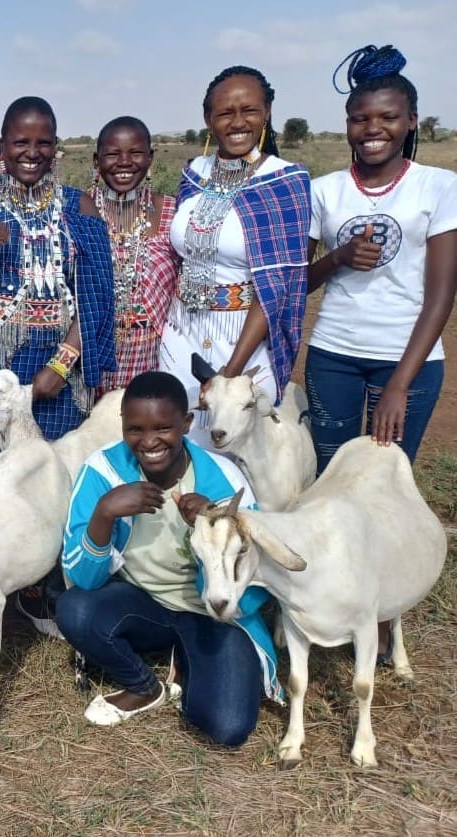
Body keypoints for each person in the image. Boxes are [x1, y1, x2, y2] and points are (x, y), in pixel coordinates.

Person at [305, 45, 457, 664]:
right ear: (348, 124)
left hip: (411, 362)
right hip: (333, 354)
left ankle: (387, 611)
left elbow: (441, 295)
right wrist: (338, 258)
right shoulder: (324, 191)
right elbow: (302, 282)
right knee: (331, 484)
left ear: (412, 120)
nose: (373, 131)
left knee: (389, 485)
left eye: (388, 118)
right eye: (362, 119)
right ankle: (327, 600)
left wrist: (400, 382)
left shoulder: (438, 187)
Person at [56, 371, 280, 746]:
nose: (149, 442)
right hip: (143, 605)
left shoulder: (222, 478)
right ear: (123, 425)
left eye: (163, 428)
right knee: (74, 609)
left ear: (187, 423)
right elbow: (82, 579)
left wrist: (215, 526)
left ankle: (189, 655)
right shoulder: (103, 470)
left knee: (226, 726)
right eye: (135, 429)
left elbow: (259, 588)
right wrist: (104, 513)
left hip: (213, 613)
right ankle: (145, 686)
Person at [0, 96, 116, 492]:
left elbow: (97, 298)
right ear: (2, 146)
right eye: (20, 142)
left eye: (43, 143)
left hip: (57, 374)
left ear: (56, 146)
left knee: (54, 486)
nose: (32, 153)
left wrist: (61, 367)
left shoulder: (80, 207)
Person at [159, 66, 310, 444]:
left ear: (267, 112)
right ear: (208, 119)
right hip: (181, 335)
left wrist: (231, 372)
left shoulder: (284, 181)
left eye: (250, 111)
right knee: (179, 442)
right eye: (225, 112)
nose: (238, 122)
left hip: (243, 341)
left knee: (237, 448)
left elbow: (275, 287)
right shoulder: (194, 172)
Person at [89, 116, 181, 392]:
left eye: (136, 153)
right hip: (91, 352)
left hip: (152, 355)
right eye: (113, 154)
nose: (125, 162)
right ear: (96, 161)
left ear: (150, 158)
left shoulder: (172, 213)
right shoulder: (78, 211)